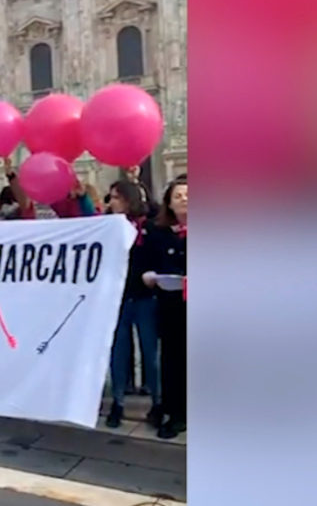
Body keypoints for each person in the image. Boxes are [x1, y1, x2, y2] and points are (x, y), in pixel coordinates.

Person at [105, 180, 161, 428]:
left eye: (116, 197)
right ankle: (117, 402)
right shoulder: (108, 227)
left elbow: (157, 258)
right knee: (118, 352)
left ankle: (158, 403)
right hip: (118, 298)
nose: (111, 202)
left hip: (145, 298)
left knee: (151, 353)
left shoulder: (149, 227)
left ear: (128, 199)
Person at [141, 177, 187, 439]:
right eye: (178, 195)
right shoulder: (157, 231)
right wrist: (149, 275)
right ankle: (171, 408)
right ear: (169, 202)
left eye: (189, 194)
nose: (184, 199)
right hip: (170, 305)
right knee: (170, 358)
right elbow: (147, 262)